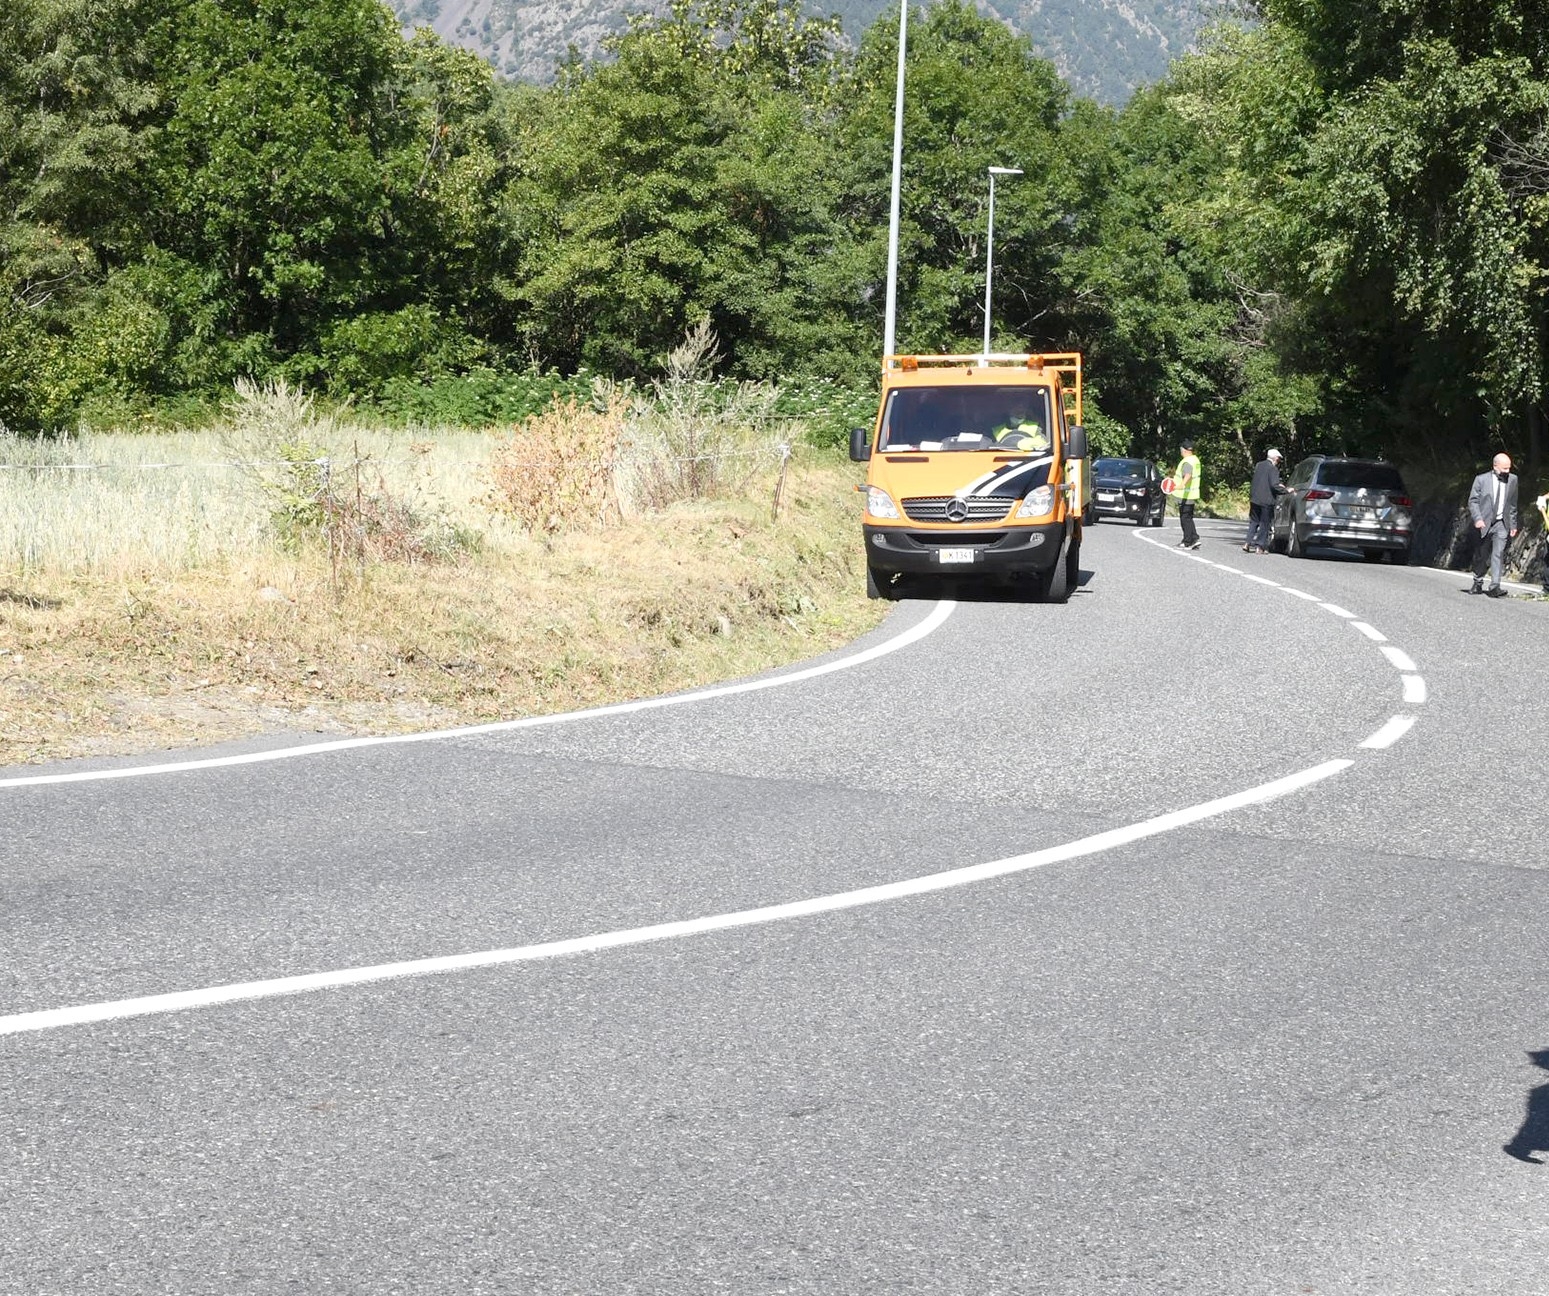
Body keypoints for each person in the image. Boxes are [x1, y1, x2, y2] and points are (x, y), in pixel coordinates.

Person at [1467, 452, 1519, 597]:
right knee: (1481, 555)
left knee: (1498, 553)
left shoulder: (1513, 480)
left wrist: (1513, 525)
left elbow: (1513, 505)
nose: (1507, 472)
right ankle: (1477, 582)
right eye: (1504, 469)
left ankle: (1495, 586)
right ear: (1495, 466)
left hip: (1502, 523)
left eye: (1509, 468)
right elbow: (1473, 501)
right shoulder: (1481, 480)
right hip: (1484, 522)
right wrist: (1478, 519)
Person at [1244, 448, 1287, 553]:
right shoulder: (1272, 469)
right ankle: (1259, 546)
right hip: (1266, 501)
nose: (1278, 462)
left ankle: (1247, 543)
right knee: (1264, 523)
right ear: (1275, 458)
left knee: (1254, 521)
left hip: (1254, 498)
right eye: (1278, 460)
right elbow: (1274, 485)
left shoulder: (1259, 465)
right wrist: (1286, 490)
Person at [1172, 438, 1201, 549]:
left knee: (1185, 518)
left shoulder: (1187, 461)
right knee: (1188, 517)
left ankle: (1188, 540)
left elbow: (1188, 474)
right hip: (1192, 494)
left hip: (1185, 495)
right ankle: (1194, 538)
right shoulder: (1195, 459)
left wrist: (1182, 484)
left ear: (1183, 450)